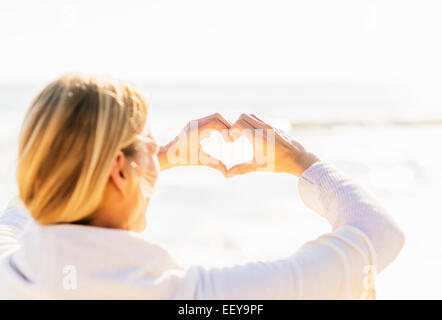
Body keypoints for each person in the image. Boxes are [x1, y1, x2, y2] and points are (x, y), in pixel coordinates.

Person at [0, 74, 404, 299]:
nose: (157, 149)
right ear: (119, 172)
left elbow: (28, 206)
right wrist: (300, 161)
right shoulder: (191, 296)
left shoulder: (13, 273)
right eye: (149, 143)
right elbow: (379, 234)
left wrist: (153, 161)